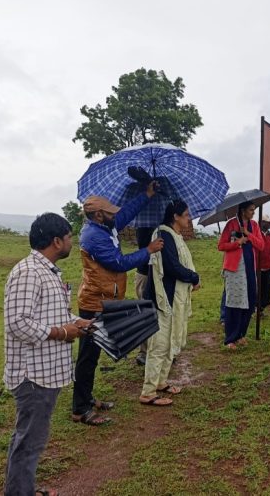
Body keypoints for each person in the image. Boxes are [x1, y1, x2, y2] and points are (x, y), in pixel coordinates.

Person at [3, 213, 93, 495]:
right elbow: (17, 323)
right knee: (29, 441)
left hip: (47, 371)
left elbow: (56, 313)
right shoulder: (29, 272)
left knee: (29, 438)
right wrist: (63, 333)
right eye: (69, 237)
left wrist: (78, 322)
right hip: (33, 375)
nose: (71, 242)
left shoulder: (48, 271)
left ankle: (22, 488)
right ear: (56, 241)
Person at [72, 182, 164, 426]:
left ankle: (87, 398)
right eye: (110, 212)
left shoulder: (105, 227)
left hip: (105, 298)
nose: (115, 215)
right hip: (95, 303)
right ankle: (80, 408)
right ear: (99, 215)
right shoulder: (94, 236)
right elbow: (119, 263)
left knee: (93, 354)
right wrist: (148, 250)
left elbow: (124, 214)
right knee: (88, 356)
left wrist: (147, 194)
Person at [140, 199, 200, 406]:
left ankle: (161, 382)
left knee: (169, 342)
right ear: (175, 216)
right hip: (163, 297)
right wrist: (193, 277)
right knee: (159, 344)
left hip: (174, 296)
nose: (189, 218)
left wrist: (192, 277)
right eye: (186, 215)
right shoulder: (163, 235)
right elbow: (172, 266)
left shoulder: (174, 235)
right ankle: (148, 392)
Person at [218, 201, 265, 349]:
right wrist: (238, 242)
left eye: (254, 210)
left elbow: (261, 245)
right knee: (234, 303)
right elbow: (221, 245)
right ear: (243, 210)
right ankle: (230, 338)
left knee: (250, 302)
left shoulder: (254, 226)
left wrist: (248, 234)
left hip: (250, 268)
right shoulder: (231, 224)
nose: (253, 212)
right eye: (251, 210)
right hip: (235, 269)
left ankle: (241, 334)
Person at [134, 226, 154, 366]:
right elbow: (144, 246)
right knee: (145, 312)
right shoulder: (144, 223)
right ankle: (144, 352)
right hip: (145, 272)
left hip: (160, 273)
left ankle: (158, 349)